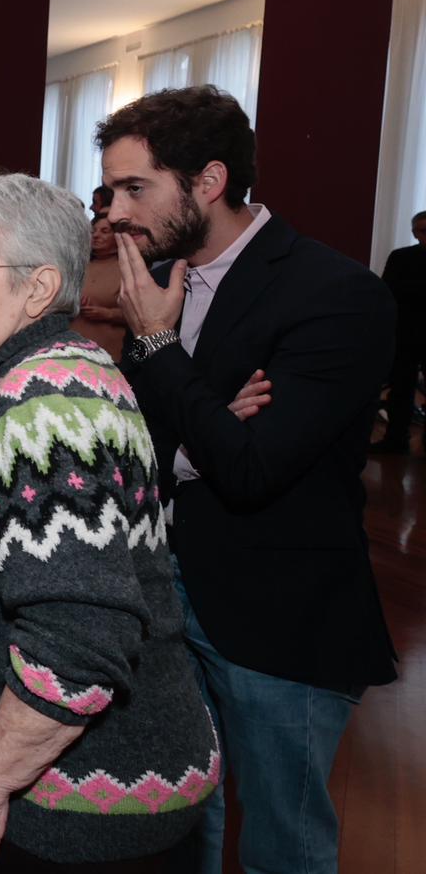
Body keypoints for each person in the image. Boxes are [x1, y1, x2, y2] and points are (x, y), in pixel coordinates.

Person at [97, 85, 397, 874]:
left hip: (278, 620)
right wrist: (209, 430)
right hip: (163, 598)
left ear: (209, 181)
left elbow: (255, 469)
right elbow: (135, 442)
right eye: (110, 190)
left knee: (280, 846)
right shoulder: (159, 278)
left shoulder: (336, 294)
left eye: (135, 188)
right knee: (179, 823)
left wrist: (160, 348)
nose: (116, 213)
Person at [0, 173, 218, 873]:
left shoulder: (44, 422)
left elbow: (77, 650)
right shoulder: (71, 370)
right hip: (101, 797)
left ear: (38, 288)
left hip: (77, 813)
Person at [374, 208, 426, 453]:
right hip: (405, 334)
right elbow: (387, 291)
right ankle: (395, 439)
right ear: (414, 233)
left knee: (402, 389)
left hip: (408, 330)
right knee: (400, 390)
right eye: (423, 230)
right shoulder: (401, 257)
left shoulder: (401, 258)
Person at [71, 214, 125, 359]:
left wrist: (107, 314)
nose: (96, 235)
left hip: (108, 352)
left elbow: (142, 315)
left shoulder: (127, 269)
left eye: (104, 231)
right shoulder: (80, 266)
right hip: (74, 348)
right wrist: (73, 302)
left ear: (118, 236)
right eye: (93, 231)